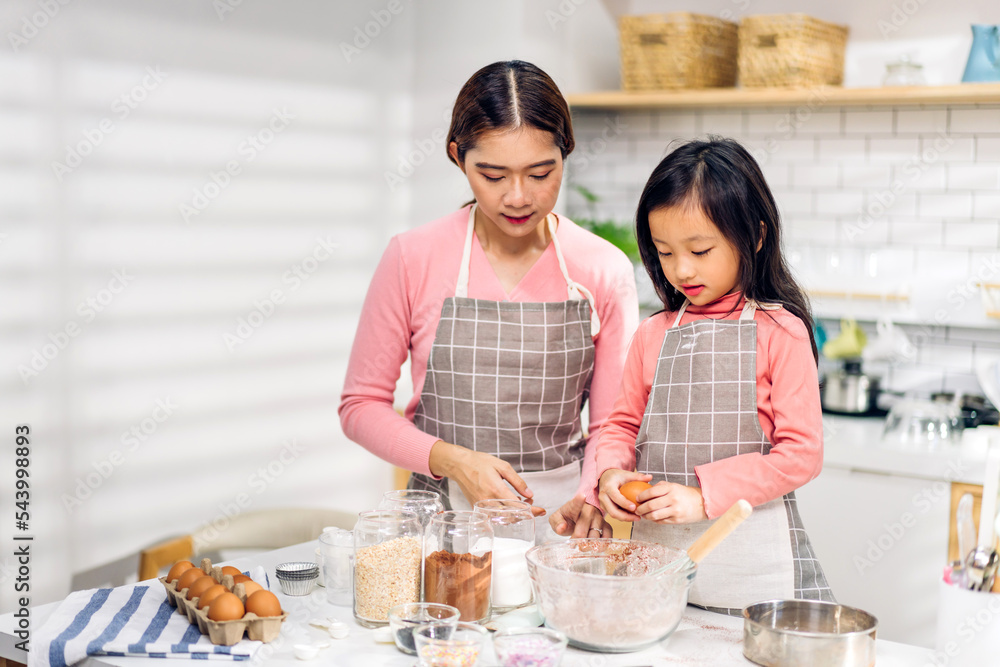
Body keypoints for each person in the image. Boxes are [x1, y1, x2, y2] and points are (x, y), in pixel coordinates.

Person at [339, 60, 639, 541]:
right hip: (441, 527)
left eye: (541, 172)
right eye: (493, 175)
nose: (518, 197)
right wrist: (453, 461)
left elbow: (611, 423)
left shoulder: (602, 269)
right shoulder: (412, 257)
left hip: (561, 525)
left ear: (566, 153)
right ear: (458, 157)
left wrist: (592, 492)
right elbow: (360, 406)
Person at [593, 137, 833, 614]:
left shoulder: (780, 331)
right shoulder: (653, 334)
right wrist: (609, 471)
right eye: (664, 252)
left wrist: (705, 497)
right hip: (655, 560)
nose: (681, 269)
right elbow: (620, 426)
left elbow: (801, 455)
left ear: (756, 236)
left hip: (751, 566)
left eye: (701, 250)